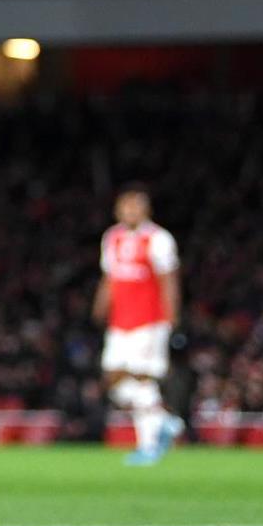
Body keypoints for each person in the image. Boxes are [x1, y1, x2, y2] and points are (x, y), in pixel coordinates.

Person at [95, 182, 185, 466]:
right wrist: (100, 305)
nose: (129, 211)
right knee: (112, 378)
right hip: (119, 321)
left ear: (146, 210)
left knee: (143, 377)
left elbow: (168, 279)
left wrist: (171, 317)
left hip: (149, 321)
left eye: (135, 206)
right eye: (125, 206)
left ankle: (148, 446)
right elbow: (110, 276)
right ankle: (165, 420)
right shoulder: (112, 238)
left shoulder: (159, 239)